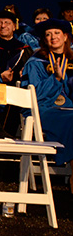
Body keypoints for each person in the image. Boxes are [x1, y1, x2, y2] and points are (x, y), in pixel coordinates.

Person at [21, 19, 73, 187]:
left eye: (57, 33)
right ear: (44, 39)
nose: (53, 37)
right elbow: (33, 94)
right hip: (41, 109)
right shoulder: (36, 61)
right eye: (48, 34)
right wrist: (56, 78)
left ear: (65, 37)